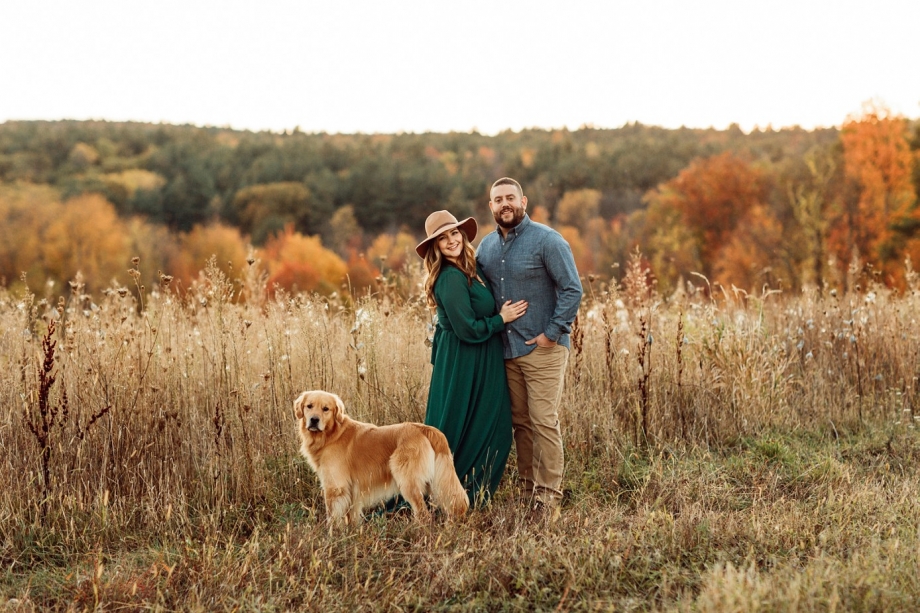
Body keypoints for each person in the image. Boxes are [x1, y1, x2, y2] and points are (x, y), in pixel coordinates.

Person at [476, 177, 583, 519]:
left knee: (543, 421)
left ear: (524, 201)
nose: (504, 203)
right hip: (506, 350)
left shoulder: (548, 240)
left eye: (510, 197)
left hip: (543, 349)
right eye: (498, 199)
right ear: (490, 206)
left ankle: (548, 497)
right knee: (520, 422)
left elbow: (572, 289)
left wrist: (551, 333)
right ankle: (527, 490)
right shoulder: (486, 248)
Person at [415, 210, 528, 506]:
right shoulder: (450, 278)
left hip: (481, 357)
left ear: (462, 235)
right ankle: (451, 495)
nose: (451, 240)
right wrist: (500, 319)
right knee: (457, 427)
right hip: (464, 360)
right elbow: (466, 329)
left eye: (454, 233)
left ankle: (465, 492)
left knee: (489, 425)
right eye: (443, 238)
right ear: (435, 247)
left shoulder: (470, 268)